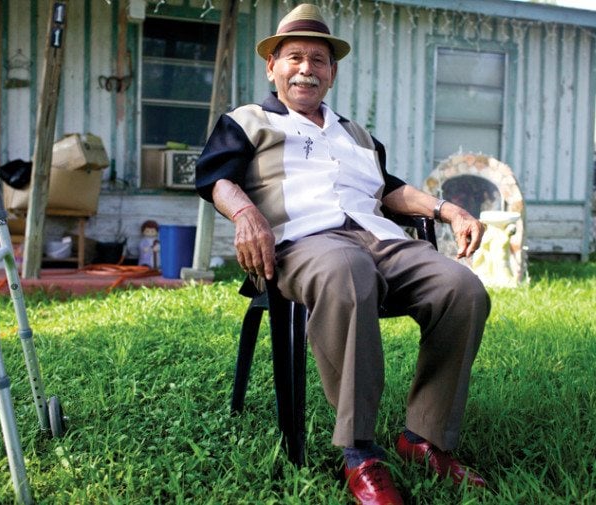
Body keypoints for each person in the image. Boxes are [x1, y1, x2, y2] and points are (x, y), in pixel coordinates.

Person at [196, 4, 490, 504]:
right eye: (294, 57)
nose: (306, 68)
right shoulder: (247, 121)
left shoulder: (355, 134)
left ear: (332, 73)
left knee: (461, 289)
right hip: (302, 244)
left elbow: (391, 190)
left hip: (380, 239)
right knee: (347, 270)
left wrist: (447, 211)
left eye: (318, 59)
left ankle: (425, 438)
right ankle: (361, 453)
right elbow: (215, 178)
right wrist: (246, 215)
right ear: (273, 66)